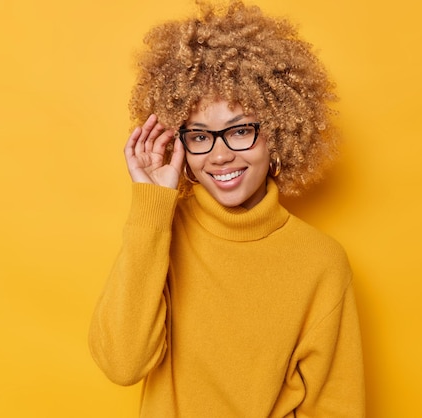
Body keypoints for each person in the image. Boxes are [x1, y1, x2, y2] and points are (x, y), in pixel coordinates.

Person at [89, 1, 365, 416]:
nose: (219, 156)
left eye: (239, 131)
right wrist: (151, 204)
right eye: (200, 135)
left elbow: (335, 406)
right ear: (179, 142)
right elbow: (123, 365)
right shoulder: (159, 232)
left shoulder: (320, 263)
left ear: (278, 131)